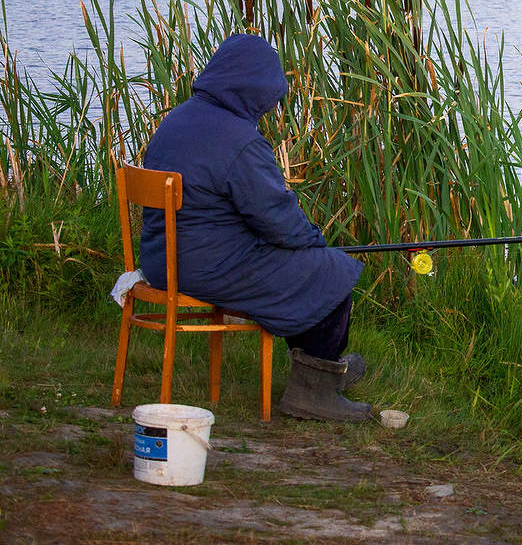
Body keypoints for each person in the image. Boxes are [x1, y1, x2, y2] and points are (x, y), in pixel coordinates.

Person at [140, 33, 371, 422]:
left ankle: (319, 373)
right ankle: (314, 390)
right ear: (251, 88)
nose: (267, 108)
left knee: (306, 266)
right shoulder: (239, 139)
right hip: (205, 265)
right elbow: (277, 218)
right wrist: (314, 241)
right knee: (334, 271)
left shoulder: (176, 119)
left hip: (162, 257)